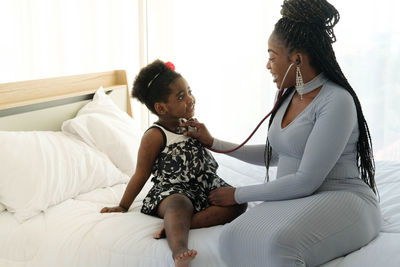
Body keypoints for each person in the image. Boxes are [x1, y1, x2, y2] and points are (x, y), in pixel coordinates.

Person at [182, 0, 382, 266]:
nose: (268, 65)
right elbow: (276, 154)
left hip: (343, 198)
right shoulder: (288, 95)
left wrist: (238, 194)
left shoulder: (336, 101)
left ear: (296, 59)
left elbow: (305, 181)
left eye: (272, 57)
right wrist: (213, 142)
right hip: (299, 199)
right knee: (230, 237)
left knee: (280, 244)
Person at [100, 59, 246, 267]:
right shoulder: (155, 135)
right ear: (161, 107)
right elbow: (141, 173)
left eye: (189, 91)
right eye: (181, 96)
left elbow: (206, 151)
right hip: (173, 190)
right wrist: (123, 205)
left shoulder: (191, 125)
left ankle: (179, 225)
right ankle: (179, 250)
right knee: (178, 205)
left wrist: (206, 136)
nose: (190, 99)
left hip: (204, 185)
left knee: (238, 200)